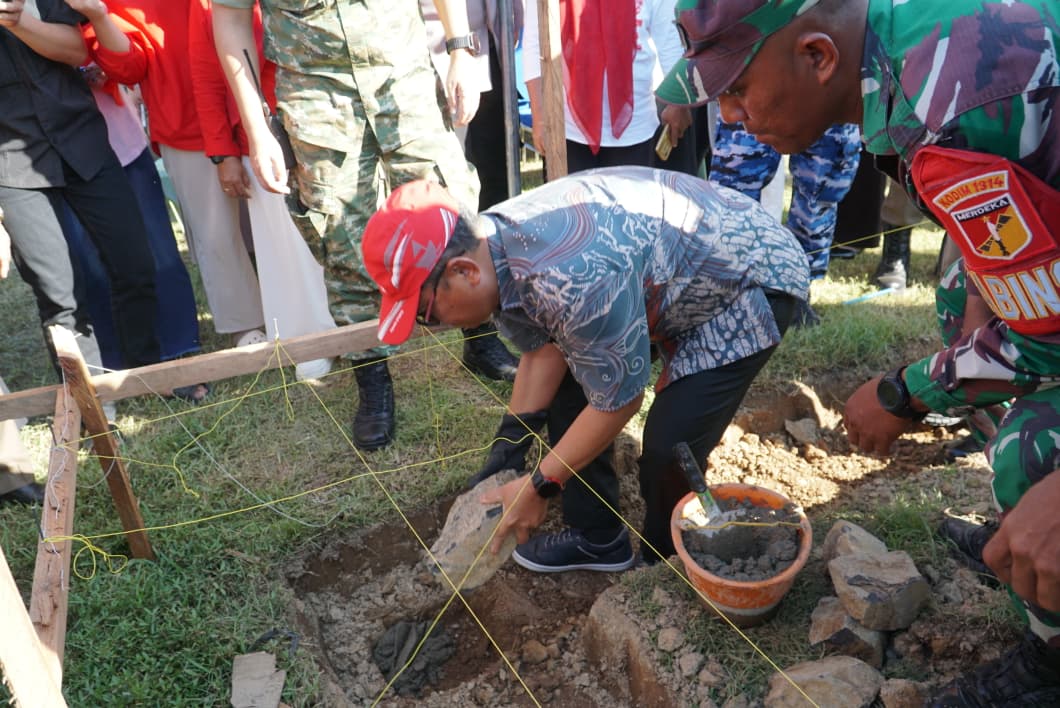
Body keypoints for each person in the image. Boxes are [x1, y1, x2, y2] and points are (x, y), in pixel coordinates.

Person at [655, 1, 1060, 704]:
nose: (731, 117)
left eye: (738, 90)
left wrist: (905, 394)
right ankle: (1019, 536)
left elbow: (1042, 338)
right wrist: (979, 315)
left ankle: (1052, 654)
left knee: (1034, 452)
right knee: (963, 299)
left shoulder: (952, 106)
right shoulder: (898, 52)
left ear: (817, 57)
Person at [360, 169, 809, 571]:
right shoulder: (493, 248)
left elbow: (619, 399)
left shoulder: (568, 277)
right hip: (667, 275)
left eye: (425, 313)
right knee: (571, 391)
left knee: (669, 447)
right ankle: (598, 539)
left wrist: (538, 486)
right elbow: (544, 352)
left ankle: (661, 565)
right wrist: (508, 447)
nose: (430, 327)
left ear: (463, 271)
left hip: (746, 281)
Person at [213, 0, 517, 451]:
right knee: (341, 235)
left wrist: (460, 50)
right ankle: (372, 379)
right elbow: (230, 18)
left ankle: (480, 335)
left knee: (450, 215)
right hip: (318, 96)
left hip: (403, 76)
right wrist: (256, 129)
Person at [75, 0, 269, 360]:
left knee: (276, 216)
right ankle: (245, 323)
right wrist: (100, 18)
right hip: (182, 112)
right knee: (215, 229)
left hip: (260, 91)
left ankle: (295, 303)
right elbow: (130, 66)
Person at [0, 0, 161, 387]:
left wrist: (17, 21)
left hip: (83, 141)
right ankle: (93, 409)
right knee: (60, 299)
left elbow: (76, 50)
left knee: (135, 265)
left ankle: (147, 376)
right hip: (11, 165)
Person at [187, 0, 336, 381]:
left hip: (330, 114)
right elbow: (205, 71)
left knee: (338, 228)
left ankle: (358, 325)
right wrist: (223, 153)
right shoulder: (207, 5)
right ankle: (307, 338)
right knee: (286, 245)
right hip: (266, 133)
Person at [58, 70, 203, 371]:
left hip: (117, 136)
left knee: (154, 250)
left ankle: (175, 346)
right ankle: (107, 360)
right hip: (54, 153)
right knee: (86, 265)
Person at [420, 0, 523, 380]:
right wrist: (458, 46)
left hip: (490, 45)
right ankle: (475, 330)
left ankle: (495, 317)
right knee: (449, 199)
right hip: (429, 51)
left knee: (489, 190)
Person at [709, 119, 861, 324]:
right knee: (735, 187)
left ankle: (797, 291)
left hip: (827, 97)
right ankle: (730, 292)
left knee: (820, 189)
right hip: (753, 93)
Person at [521, 0, 688, 174]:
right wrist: (540, 117)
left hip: (635, 128)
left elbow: (670, 42)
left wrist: (677, 103)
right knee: (572, 201)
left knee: (628, 201)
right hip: (566, 129)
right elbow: (534, 45)